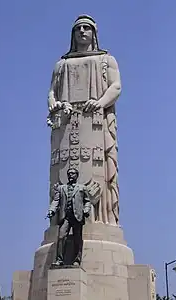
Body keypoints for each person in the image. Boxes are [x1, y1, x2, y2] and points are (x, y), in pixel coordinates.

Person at [47, 14, 121, 226]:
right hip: (65, 125)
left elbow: (116, 87)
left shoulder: (106, 60)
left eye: (86, 28)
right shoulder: (61, 64)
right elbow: (51, 92)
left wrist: (99, 102)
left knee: (99, 174)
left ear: (94, 33)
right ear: (73, 34)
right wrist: (55, 104)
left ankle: (101, 220)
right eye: (78, 28)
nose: (82, 32)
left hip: (96, 122)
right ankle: (60, 222)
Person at [47, 168, 91, 266]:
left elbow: (87, 201)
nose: (70, 175)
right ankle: (59, 260)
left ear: (77, 175)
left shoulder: (82, 188)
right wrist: (51, 210)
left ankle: (77, 260)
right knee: (61, 237)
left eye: (72, 173)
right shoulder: (61, 188)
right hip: (65, 216)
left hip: (77, 216)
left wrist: (86, 210)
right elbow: (56, 201)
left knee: (77, 238)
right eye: (69, 174)